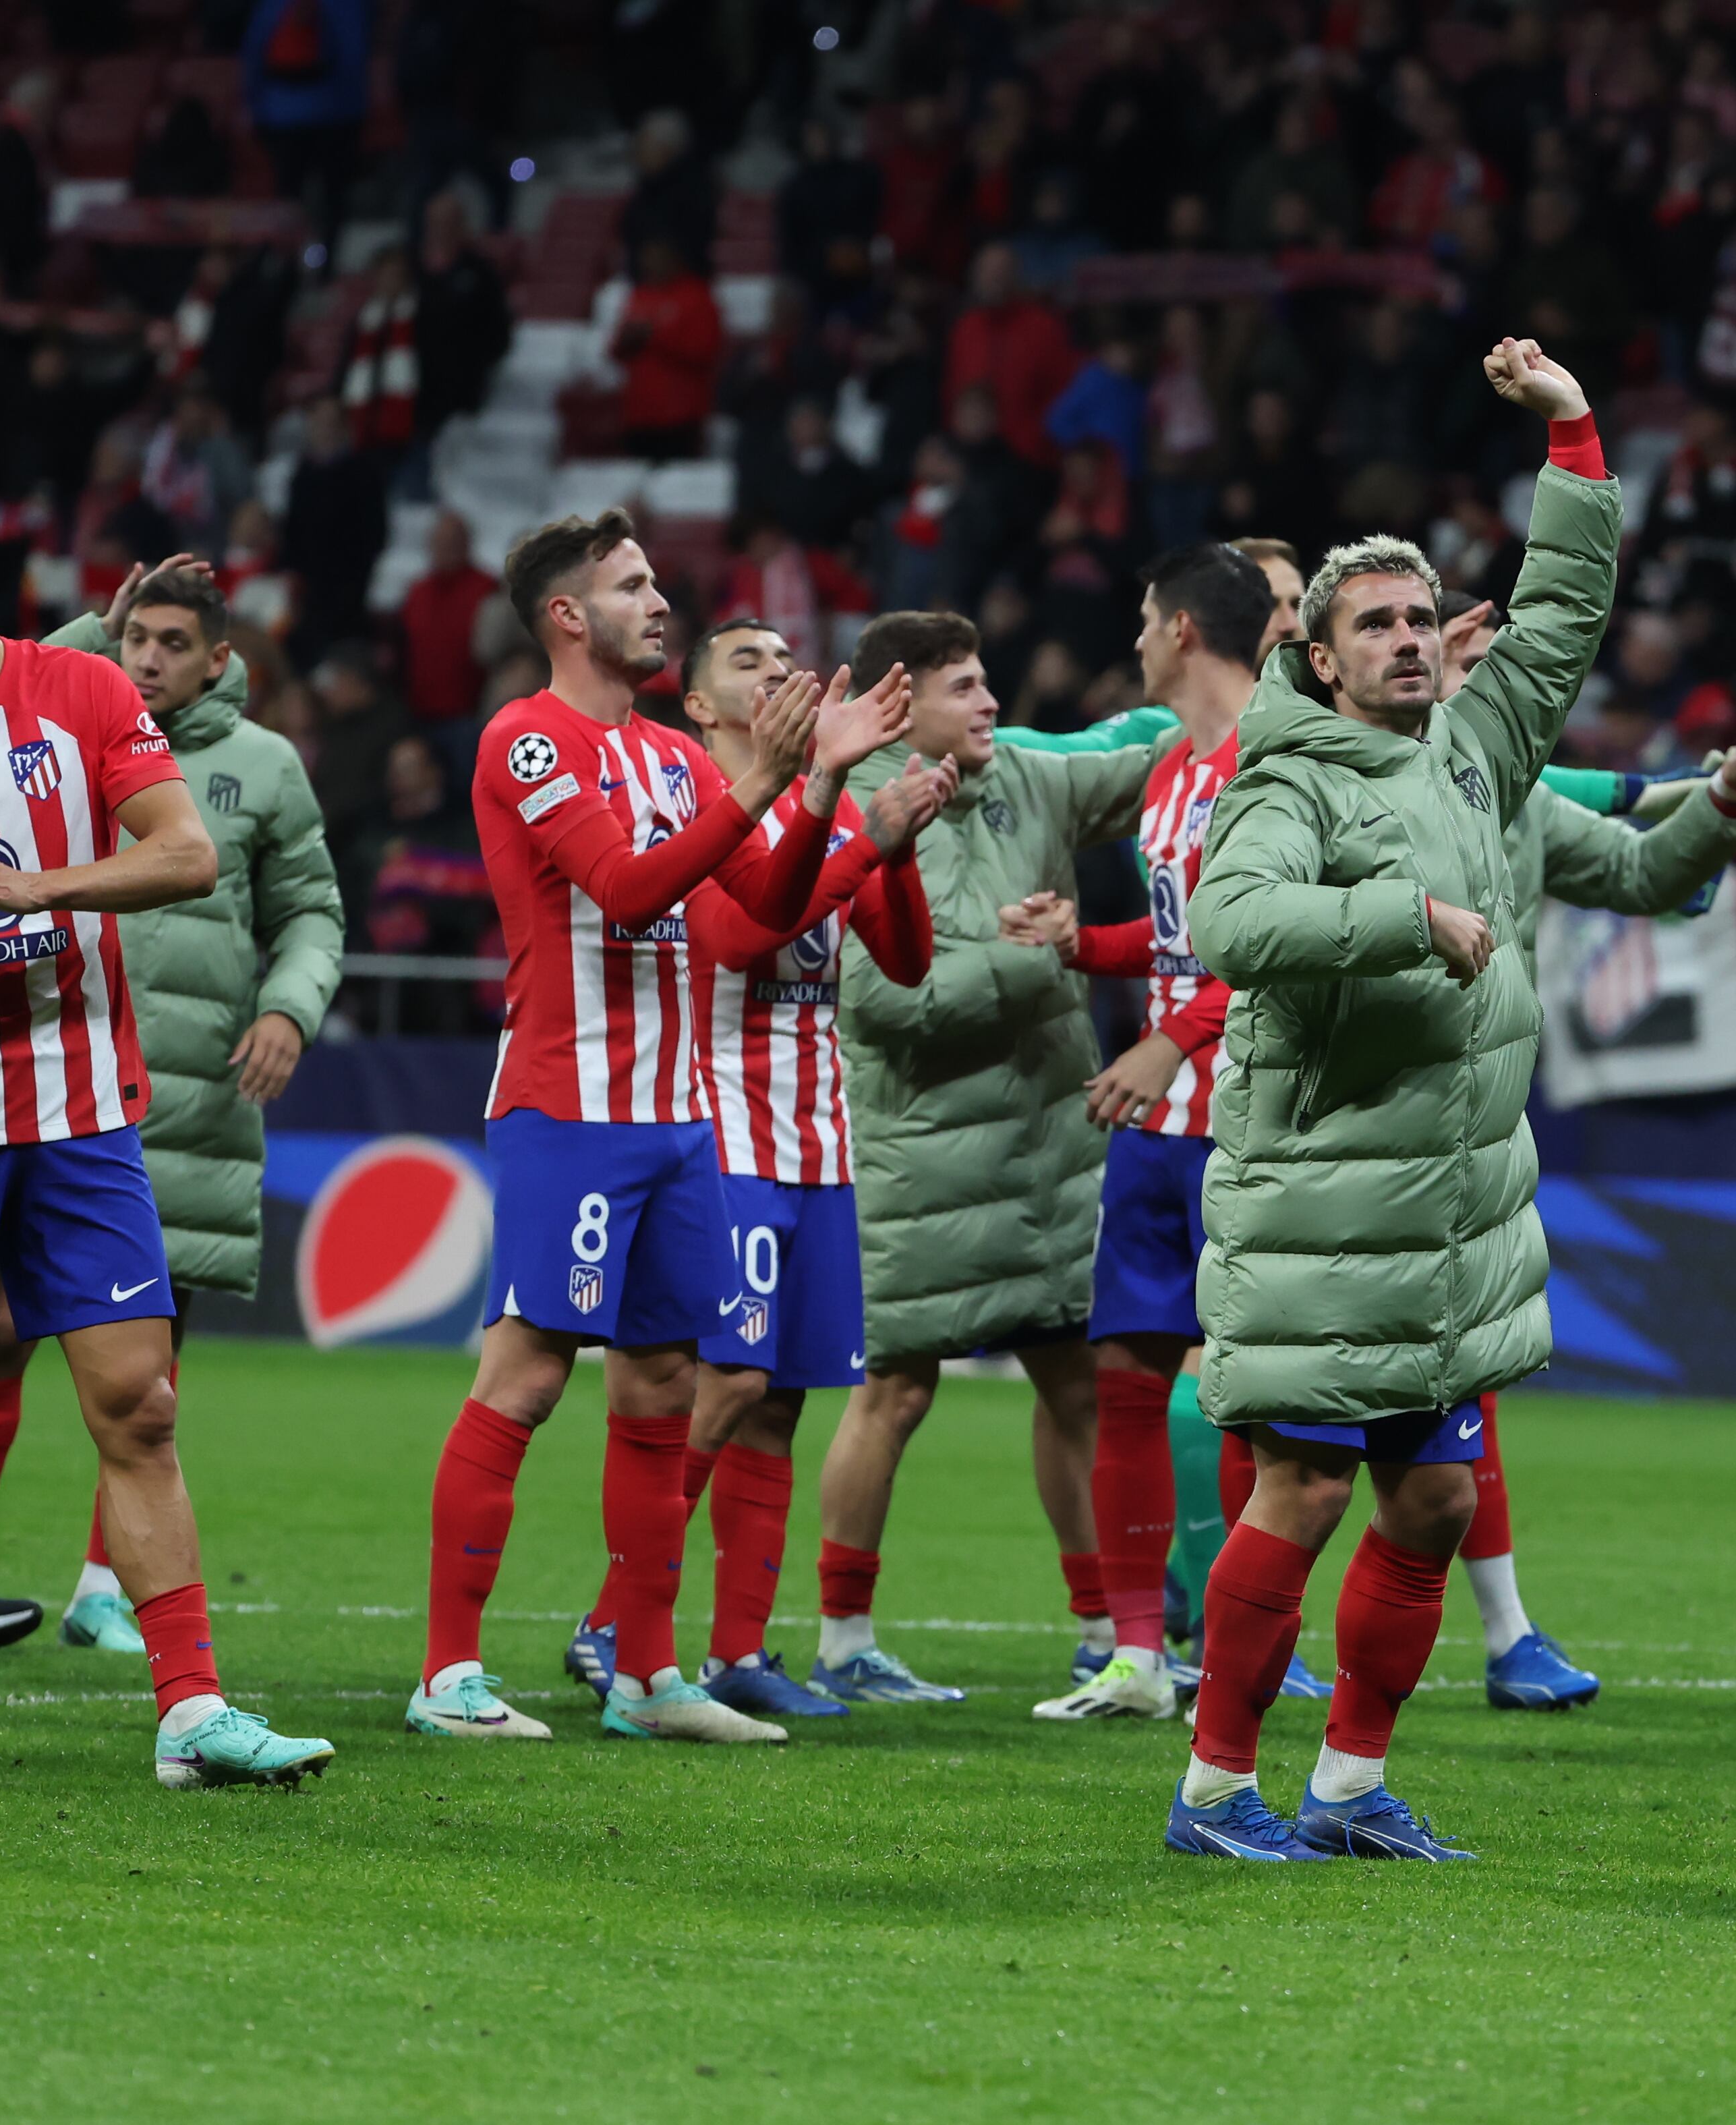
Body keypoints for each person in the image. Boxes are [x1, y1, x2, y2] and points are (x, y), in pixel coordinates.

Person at [1170, 338, 1736, 1863]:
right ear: (1318, 660)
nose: (1408, 640)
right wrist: (1402, 917)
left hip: (1448, 1227)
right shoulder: (1287, 780)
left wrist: (1577, 435)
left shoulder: (1476, 754)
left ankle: (1347, 1790)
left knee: (1438, 1506)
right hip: (1324, 1211)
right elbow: (1230, 926)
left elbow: (1564, 614)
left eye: (1418, 619)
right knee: (1307, 1489)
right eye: (1375, 626)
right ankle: (1212, 1795)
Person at [0, 488, 332, 1790]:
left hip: (85, 1109)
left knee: (139, 1406)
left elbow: (187, 852)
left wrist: (39, 885)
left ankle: (191, 1711)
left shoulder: (80, 691)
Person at [413, 509, 908, 1747]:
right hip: (569, 1111)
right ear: (568, 616)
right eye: (632, 587)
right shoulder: (524, 742)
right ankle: (449, 1674)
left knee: (666, 1384)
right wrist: (764, 778)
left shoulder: (674, 762)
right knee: (526, 1379)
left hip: (686, 1121)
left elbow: (771, 905)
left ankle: (647, 1677)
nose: (659, 604)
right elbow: (630, 896)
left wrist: (826, 781)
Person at [0, 561, 344, 1649]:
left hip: (189, 1089)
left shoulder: (265, 768)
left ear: (220, 661)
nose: (147, 657)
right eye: (134, 635)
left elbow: (313, 914)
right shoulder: (52, 724)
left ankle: (107, 1586)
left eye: (173, 642)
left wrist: (289, 1008)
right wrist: (89, 623)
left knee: (150, 1363)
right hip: (42, 1064)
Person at [558, 617, 948, 1728]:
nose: (778, 674)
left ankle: (737, 1651)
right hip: (722, 1133)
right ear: (699, 707)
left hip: (817, 1141)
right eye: (748, 663)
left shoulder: (809, 813)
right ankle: (612, 1623)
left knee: (776, 1404)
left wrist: (897, 841)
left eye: (789, 662)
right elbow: (733, 938)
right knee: (722, 1384)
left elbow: (908, 964)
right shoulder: (695, 808)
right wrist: (857, 833)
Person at [801, 611, 1170, 1705]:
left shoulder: (1023, 778)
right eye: (965, 687)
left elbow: (1160, 758)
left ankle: (1105, 1626)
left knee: (1083, 1389)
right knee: (896, 1396)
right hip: (924, 1168)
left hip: (1052, 1156)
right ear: (901, 705)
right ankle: (843, 1639)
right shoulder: (853, 810)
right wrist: (1038, 967)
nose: (991, 704)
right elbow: (882, 1000)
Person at [1003, 544, 1270, 1724]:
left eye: (1145, 621)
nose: (1135, 640)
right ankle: (1137, 1657)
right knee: (1125, 1380)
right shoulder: (1169, 768)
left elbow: (1280, 948)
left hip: (1253, 1122)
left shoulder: (1281, 761)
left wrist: (1177, 1041)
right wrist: (1080, 943)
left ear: (1184, 630)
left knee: (1255, 1397)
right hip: (1158, 1127)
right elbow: (1179, 942)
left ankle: (1244, 1644)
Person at [1453, 592, 1731, 1716]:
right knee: (1292, 1404)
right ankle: (1178, 1623)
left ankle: (1504, 1635)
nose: (1480, 675)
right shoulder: (1340, 785)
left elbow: (1643, 857)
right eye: (1468, 654)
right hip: (1335, 1143)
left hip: (1472, 1143)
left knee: (1460, 1396)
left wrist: (1731, 793)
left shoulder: (1518, 797)